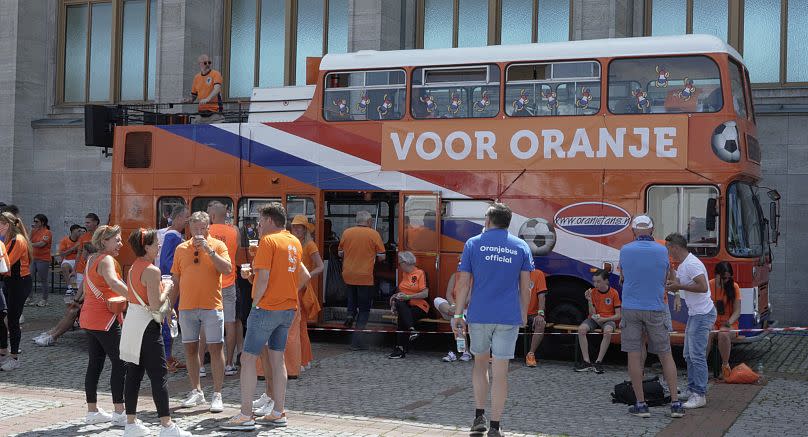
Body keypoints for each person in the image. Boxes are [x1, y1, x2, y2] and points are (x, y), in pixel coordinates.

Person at [221, 203, 311, 431]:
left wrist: (259, 301)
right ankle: (278, 411)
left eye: (260, 223)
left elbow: (264, 279)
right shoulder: (293, 241)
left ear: (270, 221)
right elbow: (304, 275)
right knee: (277, 358)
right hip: (288, 309)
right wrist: (284, 290)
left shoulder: (268, 242)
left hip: (267, 308)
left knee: (248, 359)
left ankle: (245, 415)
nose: (258, 228)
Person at [451, 203, 533, 437]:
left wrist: (458, 315)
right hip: (508, 316)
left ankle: (479, 416)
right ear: (508, 222)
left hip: (479, 315)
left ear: (488, 221)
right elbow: (525, 288)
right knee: (501, 371)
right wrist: (523, 314)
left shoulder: (473, 244)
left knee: (480, 366)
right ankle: (495, 426)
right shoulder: (521, 246)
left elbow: (464, 284)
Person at [120, 229, 191, 437]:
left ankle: (131, 424)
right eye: (155, 243)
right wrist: (168, 286)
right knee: (158, 375)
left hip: (133, 323)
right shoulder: (152, 270)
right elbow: (155, 304)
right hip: (147, 327)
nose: (159, 246)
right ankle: (166, 426)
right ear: (146, 247)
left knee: (133, 374)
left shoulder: (134, 266)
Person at [618, 215, 683, 418]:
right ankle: (675, 403)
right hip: (656, 307)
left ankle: (640, 404)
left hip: (631, 307)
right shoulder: (663, 250)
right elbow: (666, 278)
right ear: (652, 230)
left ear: (634, 231)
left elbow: (623, 277)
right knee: (665, 355)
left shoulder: (625, 250)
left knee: (634, 355)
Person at [170, 211, 231, 413]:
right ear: (190, 228)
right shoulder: (181, 249)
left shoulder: (218, 245)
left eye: (202, 228)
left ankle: (217, 394)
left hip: (212, 305)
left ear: (208, 228)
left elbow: (228, 269)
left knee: (215, 349)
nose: (198, 232)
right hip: (187, 306)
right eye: (194, 228)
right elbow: (176, 280)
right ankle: (196, 391)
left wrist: (209, 251)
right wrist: (169, 305)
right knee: (190, 349)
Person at [79, 225, 128, 426]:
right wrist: (138, 297)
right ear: (104, 241)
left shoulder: (91, 259)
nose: (120, 244)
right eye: (116, 240)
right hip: (105, 319)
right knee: (120, 363)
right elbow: (114, 283)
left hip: (89, 318)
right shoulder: (107, 259)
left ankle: (92, 411)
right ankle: (119, 412)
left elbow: (85, 287)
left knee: (95, 364)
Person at [665, 232, 716, 410]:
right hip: (696, 314)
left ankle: (700, 394)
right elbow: (677, 280)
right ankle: (692, 388)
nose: (668, 251)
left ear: (675, 248)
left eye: (668, 248)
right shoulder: (684, 264)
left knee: (697, 355)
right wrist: (675, 286)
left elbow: (702, 286)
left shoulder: (692, 264)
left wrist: (678, 287)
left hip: (702, 314)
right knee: (688, 354)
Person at [339, 210, 385, 350]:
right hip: (365, 276)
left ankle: (350, 314)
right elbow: (382, 256)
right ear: (369, 221)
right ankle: (356, 341)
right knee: (364, 309)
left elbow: (340, 253)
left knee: (352, 299)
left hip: (348, 274)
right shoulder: (374, 234)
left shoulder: (347, 232)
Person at [207, 201, 243, 377]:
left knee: (205, 323)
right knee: (230, 323)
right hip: (229, 282)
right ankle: (229, 363)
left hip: (210, 283)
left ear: (212, 216)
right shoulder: (234, 231)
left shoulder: (205, 231)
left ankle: (201, 365)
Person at [0, 212, 34, 371]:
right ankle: (4, 353)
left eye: (1, 224)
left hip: (18, 283)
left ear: (9, 225)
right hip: (10, 282)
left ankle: (14, 358)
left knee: (12, 320)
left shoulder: (17, 240)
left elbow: (5, 264)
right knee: (5, 318)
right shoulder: (9, 239)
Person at [290, 215, 324, 370]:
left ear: (305, 229)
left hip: (302, 288)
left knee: (300, 325)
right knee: (298, 325)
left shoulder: (310, 245)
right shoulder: (291, 243)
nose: (296, 229)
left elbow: (320, 266)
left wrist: (308, 275)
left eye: (299, 226)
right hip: (293, 287)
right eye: (294, 226)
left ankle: (303, 360)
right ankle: (305, 359)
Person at [159, 205, 189, 373]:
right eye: (186, 217)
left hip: (172, 283)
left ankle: (167, 356)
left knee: (170, 320)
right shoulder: (172, 236)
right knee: (168, 319)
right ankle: (165, 358)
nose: (187, 220)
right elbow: (167, 262)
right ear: (178, 218)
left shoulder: (173, 235)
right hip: (171, 284)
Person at [575, 269, 621, 374]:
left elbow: (618, 315)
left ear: (606, 281)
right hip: (595, 318)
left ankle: (598, 362)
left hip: (608, 319)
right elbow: (592, 313)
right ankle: (586, 362)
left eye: (598, 281)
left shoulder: (613, 293)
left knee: (608, 331)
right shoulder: (593, 292)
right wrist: (589, 300)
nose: (595, 284)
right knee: (581, 330)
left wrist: (604, 319)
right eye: (594, 281)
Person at [388, 251, 429, 359]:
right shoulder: (404, 274)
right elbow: (401, 291)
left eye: (400, 263)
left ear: (406, 262)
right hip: (406, 305)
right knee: (400, 305)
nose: (399, 265)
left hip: (419, 306)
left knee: (402, 316)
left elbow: (425, 294)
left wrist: (408, 297)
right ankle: (411, 330)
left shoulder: (420, 273)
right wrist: (394, 299)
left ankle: (400, 348)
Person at [707, 261, 741, 380]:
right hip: (713, 321)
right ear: (716, 275)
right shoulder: (709, 285)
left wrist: (729, 322)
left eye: (728, 278)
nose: (725, 280)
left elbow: (737, 311)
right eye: (723, 278)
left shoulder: (734, 287)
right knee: (707, 332)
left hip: (730, 323)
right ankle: (701, 366)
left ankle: (725, 365)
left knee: (723, 333)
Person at [434, 272, 471, 362]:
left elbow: (469, 298)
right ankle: (464, 352)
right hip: (453, 307)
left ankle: (462, 351)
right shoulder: (454, 276)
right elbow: (448, 294)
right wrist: (454, 306)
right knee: (437, 300)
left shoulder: (474, 277)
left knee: (455, 320)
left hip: (467, 308)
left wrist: (458, 308)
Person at [185, 54, 224, 124]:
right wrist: (187, 100)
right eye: (205, 63)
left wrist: (207, 99)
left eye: (209, 62)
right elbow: (193, 97)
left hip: (214, 113)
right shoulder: (196, 77)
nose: (208, 64)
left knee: (214, 134)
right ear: (200, 64)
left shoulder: (216, 74)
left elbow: (217, 89)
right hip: (201, 113)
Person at [524, 268, 548, 367]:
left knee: (540, 323)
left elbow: (541, 296)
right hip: (515, 313)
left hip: (532, 314)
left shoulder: (538, 274)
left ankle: (531, 354)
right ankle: (499, 354)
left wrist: (540, 314)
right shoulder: (512, 272)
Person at [74, 213, 101, 296]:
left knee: (91, 293)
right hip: (81, 269)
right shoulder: (83, 237)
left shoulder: (101, 236)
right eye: (85, 223)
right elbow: (79, 253)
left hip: (95, 269)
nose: (86, 225)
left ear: (95, 222)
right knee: (80, 291)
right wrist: (75, 268)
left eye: (88, 222)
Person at [29, 214, 53, 307]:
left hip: (43, 259)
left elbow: (41, 244)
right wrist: (31, 231)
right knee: (29, 278)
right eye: (34, 221)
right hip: (33, 258)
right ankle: (30, 298)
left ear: (42, 222)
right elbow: (28, 239)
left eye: (36, 221)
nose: (34, 223)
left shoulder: (47, 232)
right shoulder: (34, 231)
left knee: (43, 279)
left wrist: (29, 244)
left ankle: (44, 299)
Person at [57, 224, 84, 293]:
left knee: (75, 272)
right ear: (73, 231)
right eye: (79, 231)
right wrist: (74, 248)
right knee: (64, 266)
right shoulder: (65, 240)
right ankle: (70, 286)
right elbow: (62, 254)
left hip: (79, 260)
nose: (80, 232)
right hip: (68, 260)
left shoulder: (82, 239)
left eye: (81, 231)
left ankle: (75, 288)